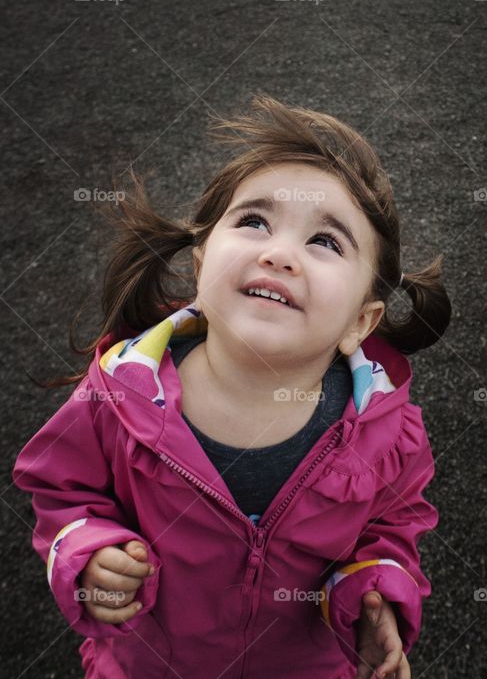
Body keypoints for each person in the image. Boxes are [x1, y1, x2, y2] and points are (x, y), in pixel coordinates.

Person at [11, 93, 452, 679]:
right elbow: (61, 491)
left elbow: (393, 527)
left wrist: (375, 592)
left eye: (325, 242)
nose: (278, 253)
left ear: (359, 323)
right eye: (253, 222)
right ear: (200, 268)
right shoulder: (113, 399)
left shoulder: (389, 436)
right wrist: (86, 552)